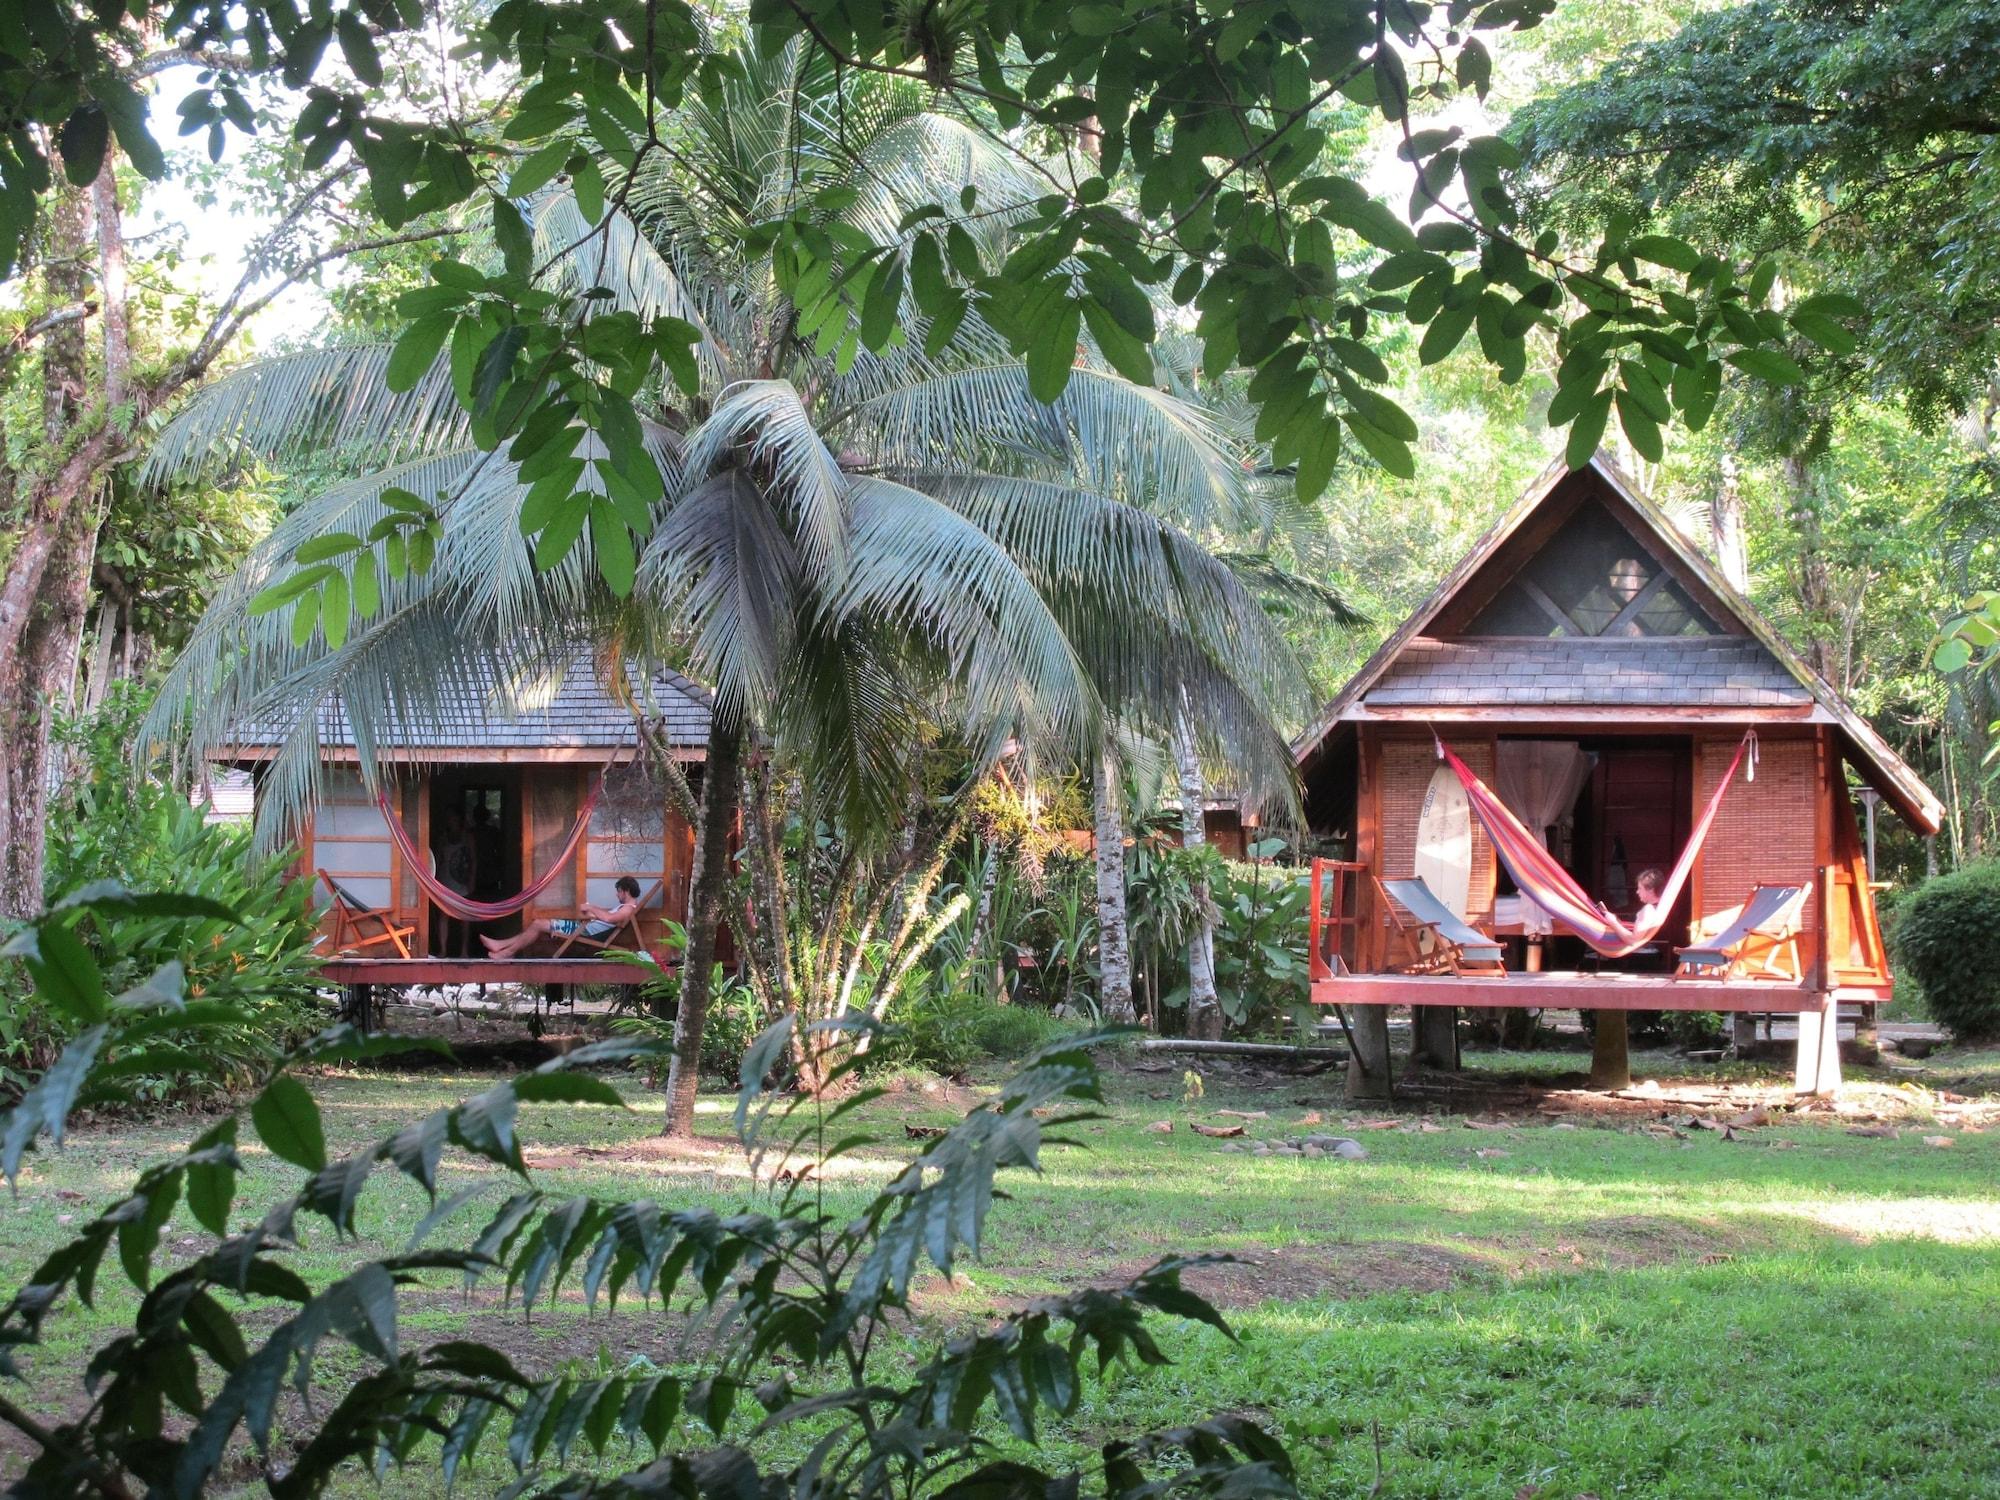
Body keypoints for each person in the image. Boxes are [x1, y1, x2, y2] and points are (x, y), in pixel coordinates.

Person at [479, 876, 643, 959]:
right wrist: (592, 914)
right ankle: (501, 946)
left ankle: (506, 952)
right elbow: (606, 919)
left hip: (585, 931)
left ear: (626, 891)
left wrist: (591, 907)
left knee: (538, 924)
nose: (617, 894)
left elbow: (608, 919)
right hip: (587, 928)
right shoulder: (624, 908)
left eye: (619, 891)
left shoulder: (628, 909)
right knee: (539, 924)